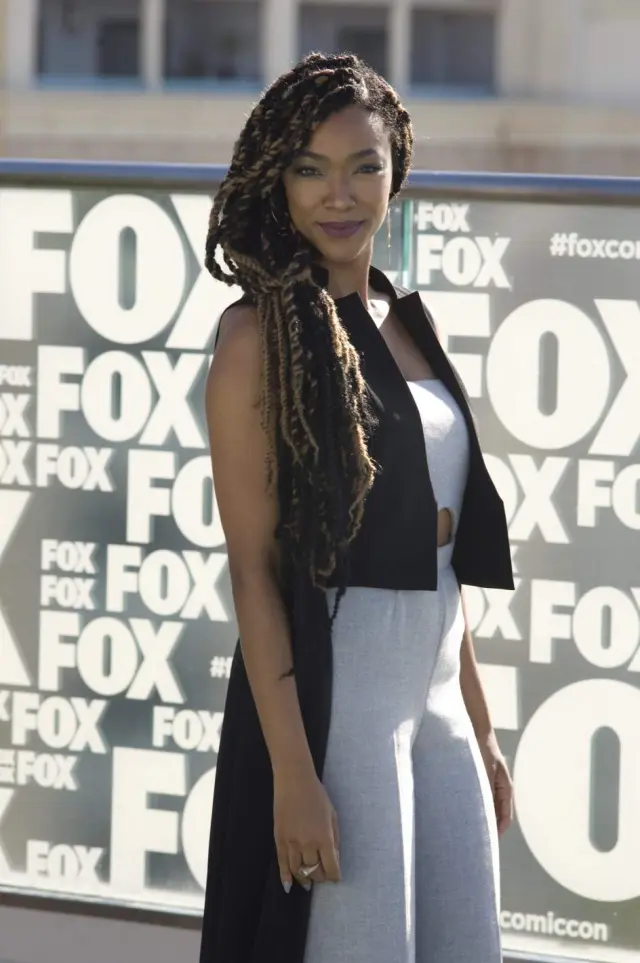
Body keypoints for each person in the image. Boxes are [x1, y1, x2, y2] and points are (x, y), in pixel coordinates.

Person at [199, 51, 515, 963]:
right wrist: (294, 773)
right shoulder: (256, 338)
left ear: (395, 173)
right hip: (340, 709)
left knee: (465, 944)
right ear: (279, 181)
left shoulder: (408, 318)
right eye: (311, 169)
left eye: (363, 166)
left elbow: (441, 557)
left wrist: (483, 726)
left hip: (440, 703)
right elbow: (255, 574)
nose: (339, 195)